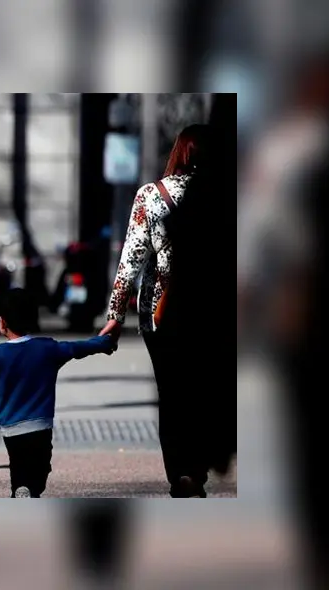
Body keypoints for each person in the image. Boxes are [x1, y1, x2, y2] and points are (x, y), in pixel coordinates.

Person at [98, 124, 214, 498]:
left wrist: (115, 315)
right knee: (205, 388)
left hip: (162, 311)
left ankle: (180, 472)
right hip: (213, 311)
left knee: (171, 391)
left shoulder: (152, 195)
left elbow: (131, 260)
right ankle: (198, 468)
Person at [0, 288, 115, 498]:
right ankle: (28, 490)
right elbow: (78, 348)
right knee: (41, 468)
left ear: (2, 322)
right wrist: (103, 343)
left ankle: (21, 490)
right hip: (40, 425)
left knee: (18, 465)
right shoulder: (47, 348)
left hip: (11, 428)